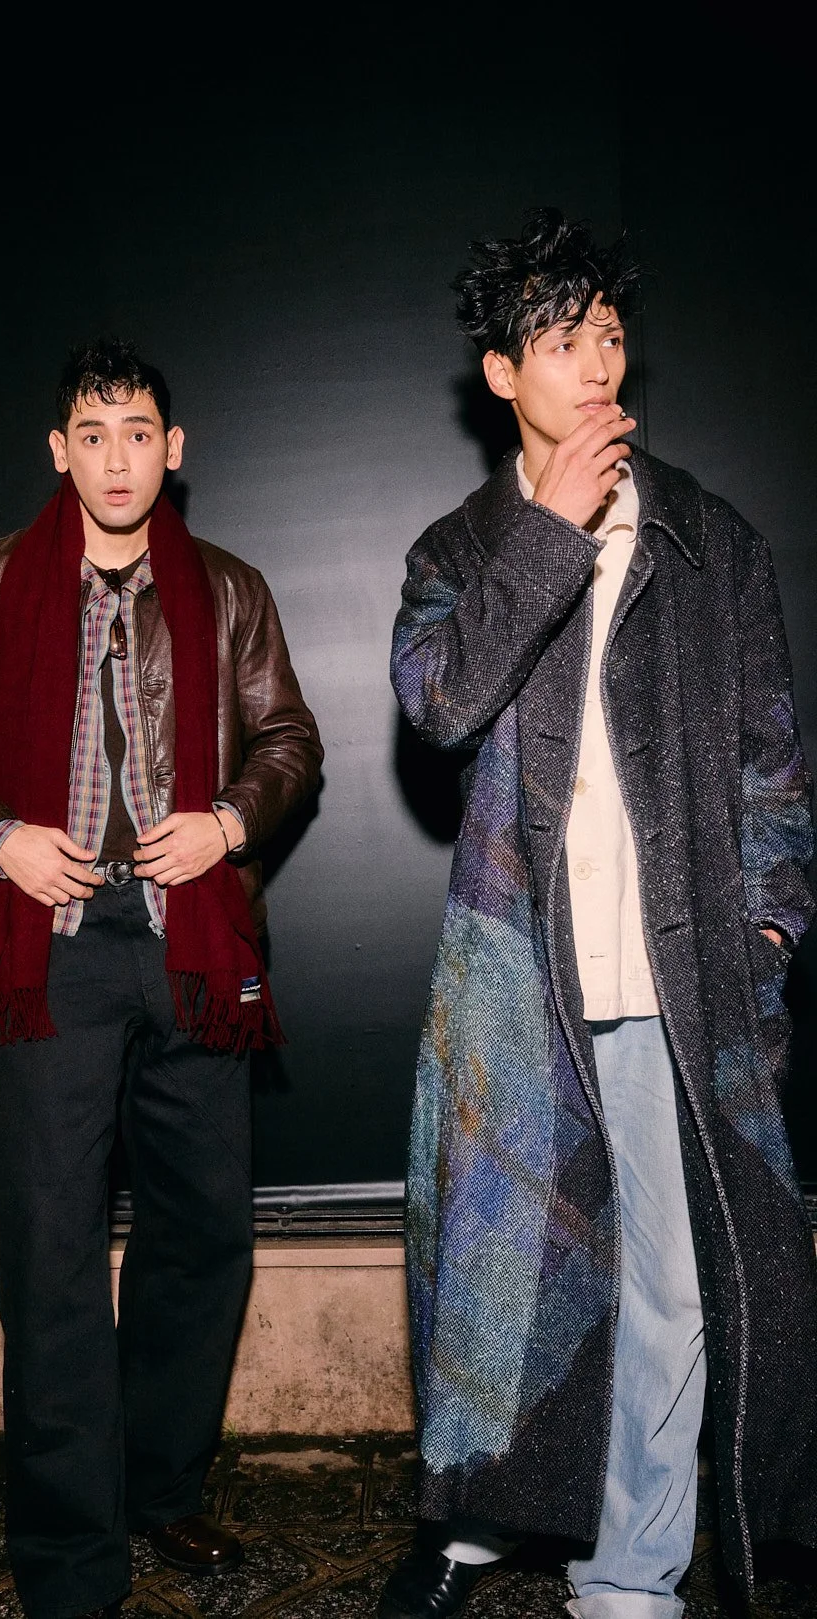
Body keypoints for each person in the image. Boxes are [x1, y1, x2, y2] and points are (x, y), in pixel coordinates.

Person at [380, 209, 817, 1619]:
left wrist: (765, 938)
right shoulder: (457, 548)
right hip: (523, 985)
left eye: (611, 334)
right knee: (498, 1301)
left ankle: (632, 1582)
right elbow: (441, 705)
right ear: (503, 371)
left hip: (684, 985)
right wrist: (548, 536)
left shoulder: (712, 542)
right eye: (562, 340)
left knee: (680, 1291)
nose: (594, 363)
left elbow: (775, 768)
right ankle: (468, 1522)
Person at [0, 337, 322, 1619]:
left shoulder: (229, 590)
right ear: (58, 450)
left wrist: (232, 821)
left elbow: (287, 737)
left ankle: (162, 1490)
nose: (118, 454)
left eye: (140, 431)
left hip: (192, 949)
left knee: (204, 1236)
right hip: (53, 955)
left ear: (172, 452)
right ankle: (72, 1555)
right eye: (94, 430)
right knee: (52, 1253)